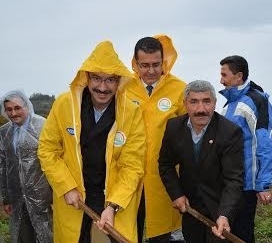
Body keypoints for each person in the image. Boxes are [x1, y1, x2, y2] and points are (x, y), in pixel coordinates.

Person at [37, 41, 146, 243]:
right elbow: (47, 150)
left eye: (110, 80)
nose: (102, 88)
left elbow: (133, 165)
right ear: (86, 77)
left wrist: (113, 205)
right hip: (74, 197)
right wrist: (66, 187)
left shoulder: (131, 112)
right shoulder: (64, 104)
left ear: (119, 81)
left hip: (114, 199)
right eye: (97, 78)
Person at [158, 80, 244, 243]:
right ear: (185, 104)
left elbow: (233, 179)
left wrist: (224, 214)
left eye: (206, 101)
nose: (201, 109)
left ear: (214, 103)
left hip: (220, 207)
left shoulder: (230, 132)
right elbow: (165, 164)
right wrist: (177, 194)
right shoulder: (174, 127)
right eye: (194, 102)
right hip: (191, 209)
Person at [125, 35, 186, 242]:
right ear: (135, 63)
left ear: (164, 61)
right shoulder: (123, 88)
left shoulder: (180, 89)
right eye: (144, 65)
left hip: (163, 178)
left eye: (156, 65)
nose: (151, 71)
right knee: (127, 231)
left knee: (162, 235)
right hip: (128, 176)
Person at [218, 55, 272, 243]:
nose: (221, 80)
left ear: (239, 76)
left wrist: (263, 184)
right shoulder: (229, 103)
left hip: (246, 186)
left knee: (242, 234)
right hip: (229, 183)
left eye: (224, 75)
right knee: (227, 232)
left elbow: (265, 143)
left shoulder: (256, 100)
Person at [0, 90, 52, 243]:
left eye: (17, 108)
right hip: (17, 196)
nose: (13, 113)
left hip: (42, 195)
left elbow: (54, 160)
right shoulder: (4, 132)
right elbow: (3, 166)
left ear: (27, 106)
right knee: (22, 234)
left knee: (46, 233)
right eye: (9, 109)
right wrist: (6, 198)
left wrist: (55, 194)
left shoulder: (43, 126)